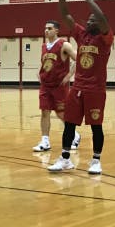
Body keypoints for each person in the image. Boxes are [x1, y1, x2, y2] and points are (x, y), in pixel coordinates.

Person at [47, 0, 114, 175]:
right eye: (89, 19)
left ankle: (96, 161)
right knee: (69, 124)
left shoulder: (105, 38)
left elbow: (101, 18)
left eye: (93, 20)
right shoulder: (82, 34)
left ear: (100, 23)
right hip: (77, 88)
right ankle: (65, 159)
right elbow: (66, 16)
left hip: (95, 90)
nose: (89, 22)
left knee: (96, 127)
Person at [32, 20, 80, 152]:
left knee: (61, 114)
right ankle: (45, 141)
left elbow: (78, 59)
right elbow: (44, 62)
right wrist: (39, 72)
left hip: (59, 86)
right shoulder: (44, 46)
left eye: (49, 28)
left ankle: (75, 135)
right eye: (45, 28)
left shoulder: (64, 44)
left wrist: (69, 75)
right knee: (44, 112)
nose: (46, 31)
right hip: (45, 86)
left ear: (56, 30)